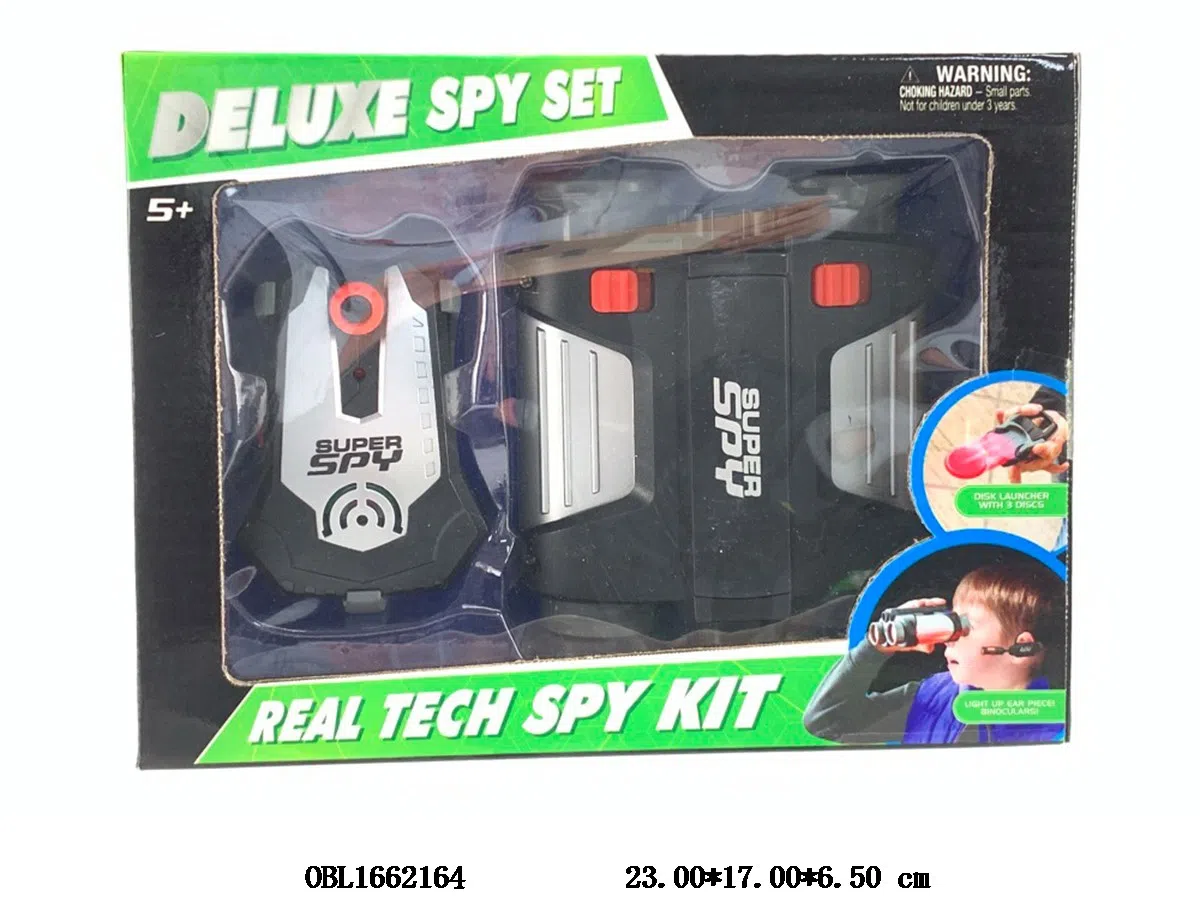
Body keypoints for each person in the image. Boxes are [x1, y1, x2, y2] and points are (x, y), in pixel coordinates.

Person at [803, 563, 1064, 745]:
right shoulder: (933, 697)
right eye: (952, 621)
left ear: (1021, 648)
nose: (949, 637)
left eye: (966, 626)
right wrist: (874, 648)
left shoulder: (1055, 721)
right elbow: (825, 721)